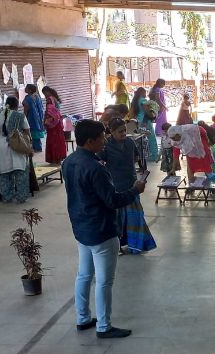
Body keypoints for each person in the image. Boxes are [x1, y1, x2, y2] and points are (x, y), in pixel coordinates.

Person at [63, 119, 147, 338]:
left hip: (81, 226)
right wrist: (136, 190)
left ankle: (82, 318)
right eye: (101, 137)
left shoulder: (69, 161)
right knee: (104, 281)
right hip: (101, 229)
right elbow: (112, 201)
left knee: (84, 275)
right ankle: (103, 325)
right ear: (90, 141)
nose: (104, 140)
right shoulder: (95, 168)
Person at [100, 118, 156, 255]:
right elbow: (100, 162)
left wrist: (140, 175)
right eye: (120, 131)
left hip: (132, 184)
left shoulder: (130, 142)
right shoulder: (106, 147)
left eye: (125, 130)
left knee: (136, 215)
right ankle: (118, 246)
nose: (124, 133)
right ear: (111, 132)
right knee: (118, 219)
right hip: (116, 187)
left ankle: (136, 244)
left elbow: (137, 158)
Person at [0, 97, 31, 203]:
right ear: (16, 105)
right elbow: (27, 132)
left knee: (3, 173)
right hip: (17, 145)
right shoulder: (19, 116)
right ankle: (21, 197)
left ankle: (7, 197)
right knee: (20, 171)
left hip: (0, 148)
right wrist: (28, 146)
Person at [129, 87, 159, 162]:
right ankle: (153, 156)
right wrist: (152, 115)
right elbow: (146, 110)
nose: (146, 94)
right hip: (145, 121)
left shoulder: (134, 101)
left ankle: (140, 155)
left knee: (140, 139)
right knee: (150, 138)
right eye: (145, 92)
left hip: (137, 121)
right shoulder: (143, 100)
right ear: (142, 93)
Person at [41, 86, 67, 165]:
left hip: (52, 123)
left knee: (53, 140)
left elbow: (49, 112)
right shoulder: (55, 98)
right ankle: (59, 158)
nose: (44, 95)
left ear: (47, 91)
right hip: (58, 122)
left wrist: (45, 121)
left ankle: (54, 159)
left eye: (44, 93)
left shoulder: (49, 99)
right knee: (59, 140)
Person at [22, 84, 45, 152]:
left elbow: (26, 109)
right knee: (36, 131)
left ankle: (37, 148)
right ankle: (38, 146)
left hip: (31, 117)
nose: (25, 89)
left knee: (32, 132)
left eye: (26, 88)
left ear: (30, 90)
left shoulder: (28, 98)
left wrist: (24, 117)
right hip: (39, 117)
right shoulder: (37, 96)